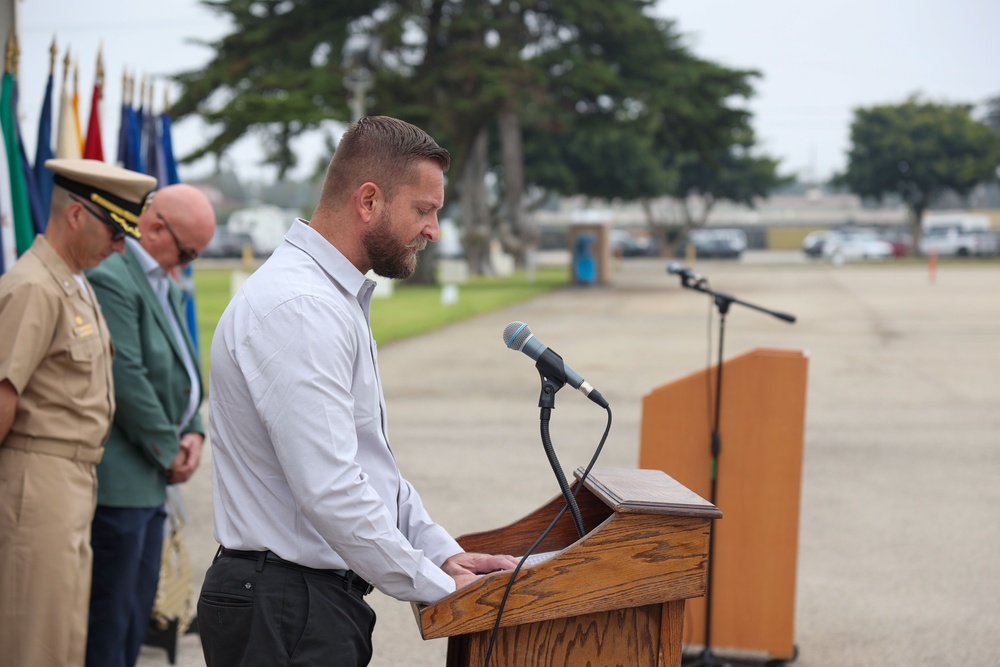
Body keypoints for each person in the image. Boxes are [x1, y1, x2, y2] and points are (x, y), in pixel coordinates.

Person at [198, 116, 518, 667]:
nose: (434, 229)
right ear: (368, 200)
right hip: (284, 608)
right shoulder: (301, 307)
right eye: (425, 209)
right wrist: (439, 587)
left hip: (299, 603)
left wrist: (443, 555)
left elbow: (372, 468)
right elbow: (332, 489)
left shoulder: (329, 296)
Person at [0, 159, 157, 667]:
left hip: (71, 480)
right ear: (74, 216)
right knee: (33, 641)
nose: (120, 247)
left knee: (64, 637)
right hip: (37, 480)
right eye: (114, 232)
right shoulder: (33, 287)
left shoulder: (73, 283)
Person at [83, 183, 217, 667]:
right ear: (155, 226)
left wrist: (194, 430)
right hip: (121, 481)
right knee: (109, 625)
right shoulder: (113, 275)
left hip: (150, 480)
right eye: (185, 252)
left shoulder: (160, 277)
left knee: (134, 616)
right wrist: (170, 448)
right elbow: (127, 377)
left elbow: (179, 369)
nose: (185, 265)